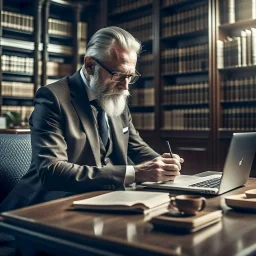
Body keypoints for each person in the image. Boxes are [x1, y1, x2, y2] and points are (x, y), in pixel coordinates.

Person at [0, 26, 184, 213]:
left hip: (105, 200)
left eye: (130, 76)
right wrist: (135, 173)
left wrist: (163, 165)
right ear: (89, 65)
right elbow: (51, 171)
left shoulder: (116, 95)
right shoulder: (52, 97)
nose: (125, 86)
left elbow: (136, 147)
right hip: (49, 205)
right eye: (118, 75)